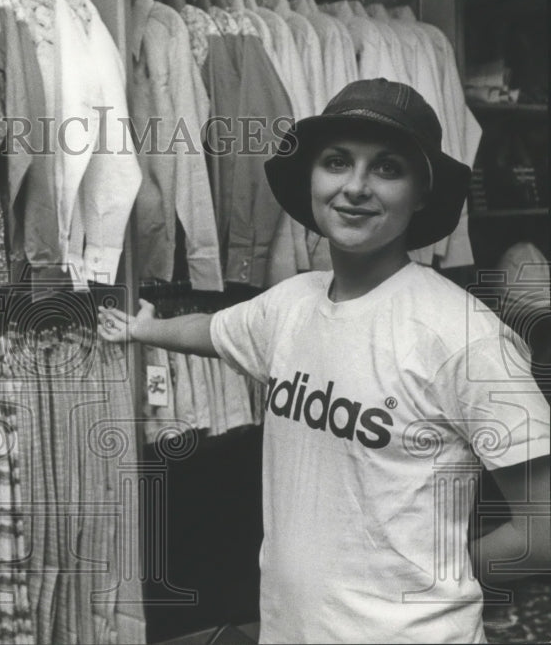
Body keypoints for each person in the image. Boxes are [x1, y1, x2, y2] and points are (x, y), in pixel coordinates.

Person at [98, 79, 550, 643]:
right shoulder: (290, 304)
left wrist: (433, 576)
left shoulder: (464, 336)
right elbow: (213, 331)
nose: (355, 187)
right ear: (311, 177)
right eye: (337, 162)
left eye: (387, 169)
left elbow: (543, 532)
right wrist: (143, 327)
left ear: (422, 193)